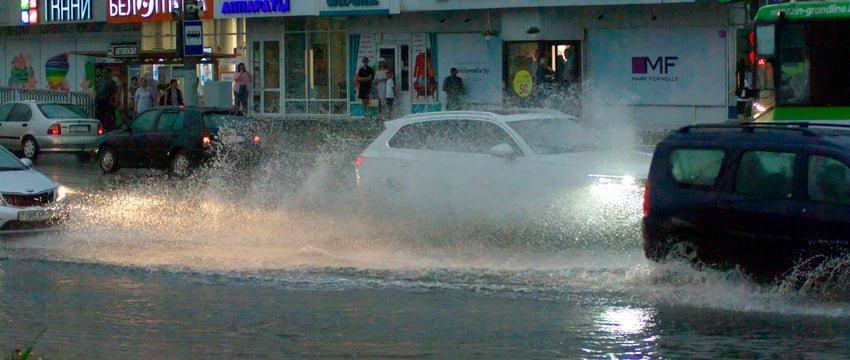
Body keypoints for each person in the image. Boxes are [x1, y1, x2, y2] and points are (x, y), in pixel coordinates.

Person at [95, 68, 118, 132]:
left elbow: (115, 92)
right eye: (103, 73)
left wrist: (116, 101)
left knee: (110, 116)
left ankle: (110, 129)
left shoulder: (111, 82)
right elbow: (96, 91)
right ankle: (101, 128)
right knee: (99, 116)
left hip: (108, 101)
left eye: (105, 73)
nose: (104, 74)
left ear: (108, 74)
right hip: (99, 101)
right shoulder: (99, 82)